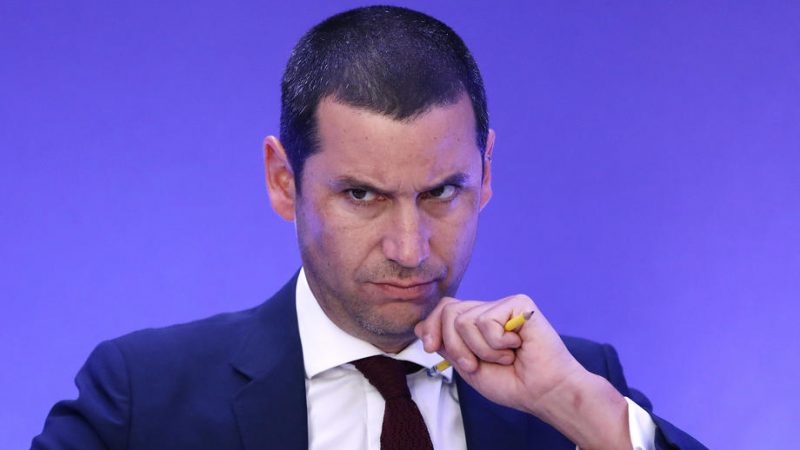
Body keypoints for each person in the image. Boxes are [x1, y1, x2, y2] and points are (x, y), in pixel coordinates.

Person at [32, 6, 706, 450]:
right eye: (361, 195)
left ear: (486, 173)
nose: (409, 249)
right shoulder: (142, 398)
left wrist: (584, 412)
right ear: (283, 180)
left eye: (442, 192)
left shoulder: (582, 386)